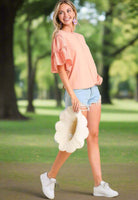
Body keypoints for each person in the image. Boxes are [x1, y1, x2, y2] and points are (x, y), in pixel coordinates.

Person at [40, 0, 119, 199]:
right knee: (75, 139)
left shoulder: (80, 37)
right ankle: (49, 177)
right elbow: (61, 69)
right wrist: (73, 95)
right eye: (61, 12)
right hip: (77, 92)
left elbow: (84, 63)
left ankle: (99, 184)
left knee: (93, 136)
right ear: (57, 18)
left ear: (74, 12)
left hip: (93, 91)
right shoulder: (59, 36)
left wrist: (96, 76)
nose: (65, 14)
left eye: (68, 10)